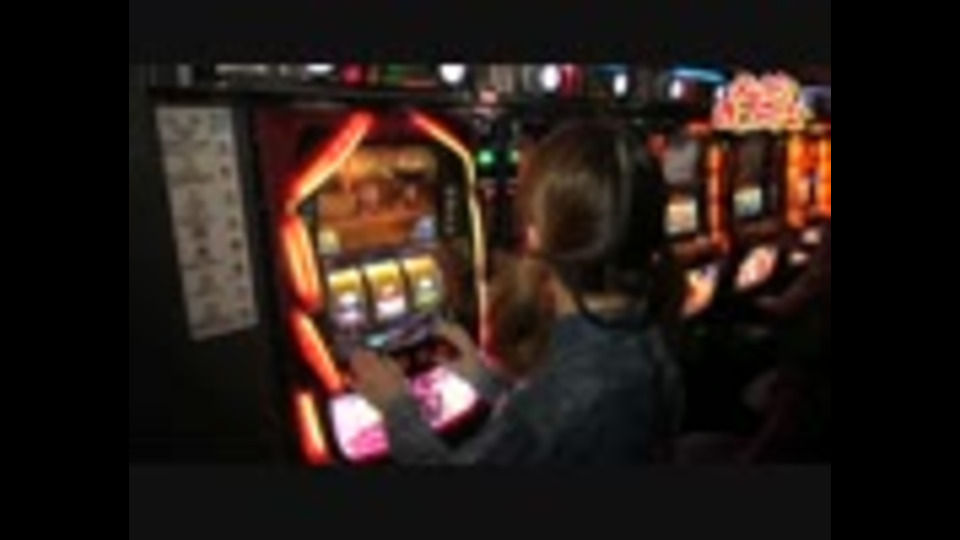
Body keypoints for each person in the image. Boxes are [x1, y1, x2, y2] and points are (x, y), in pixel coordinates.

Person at [348, 119, 686, 465]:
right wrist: (488, 381)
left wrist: (395, 407)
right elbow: (556, 429)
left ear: (535, 235)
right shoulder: (644, 331)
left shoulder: (562, 390)